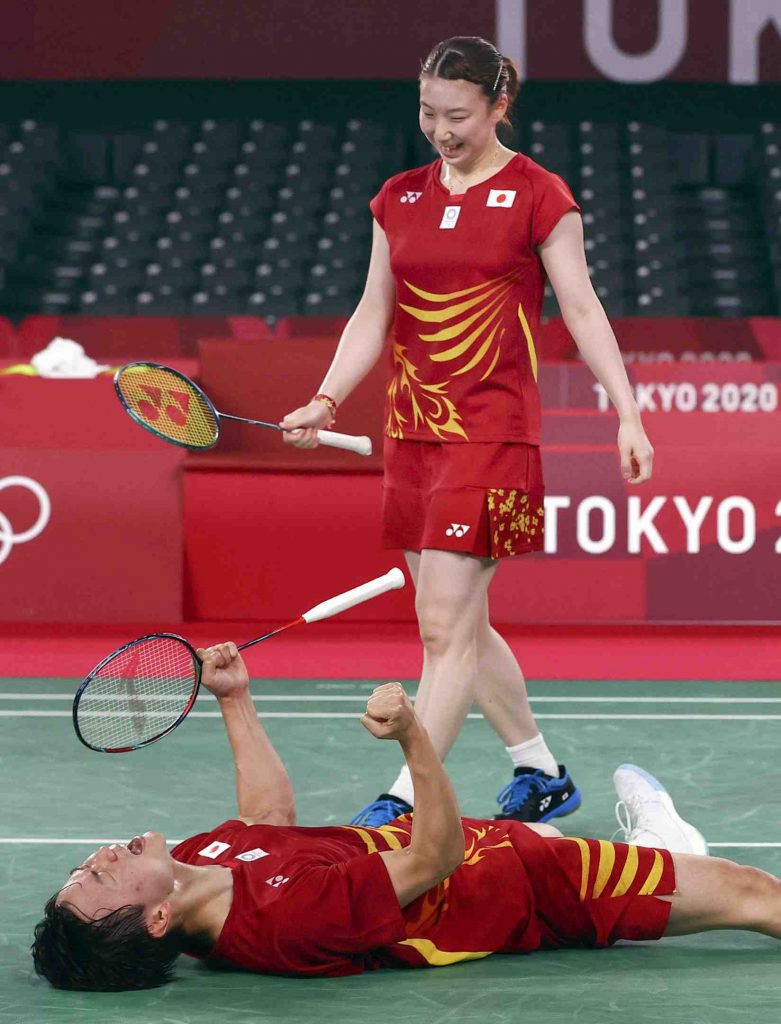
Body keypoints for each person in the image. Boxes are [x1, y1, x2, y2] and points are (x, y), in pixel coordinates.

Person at [279, 36, 655, 827]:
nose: (440, 130)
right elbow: (372, 310)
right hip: (412, 435)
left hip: (493, 434)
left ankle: (407, 800)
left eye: (456, 115)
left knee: (443, 626)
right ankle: (539, 769)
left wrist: (626, 411)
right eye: (427, 113)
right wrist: (326, 396)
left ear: (497, 108)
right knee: (464, 623)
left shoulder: (537, 194)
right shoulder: (399, 197)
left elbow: (581, 308)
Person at [33, 644, 781, 993]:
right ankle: (666, 855)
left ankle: (666, 846)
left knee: (608, 846)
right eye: (103, 877)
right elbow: (437, 854)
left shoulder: (202, 858)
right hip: (530, 889)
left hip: (495, 846)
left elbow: (266, 819)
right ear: (157, 920)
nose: (101, 854)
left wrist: (234, 698)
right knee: (753, 896)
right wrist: (415, 735)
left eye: (87, 864)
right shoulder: (289, 918)